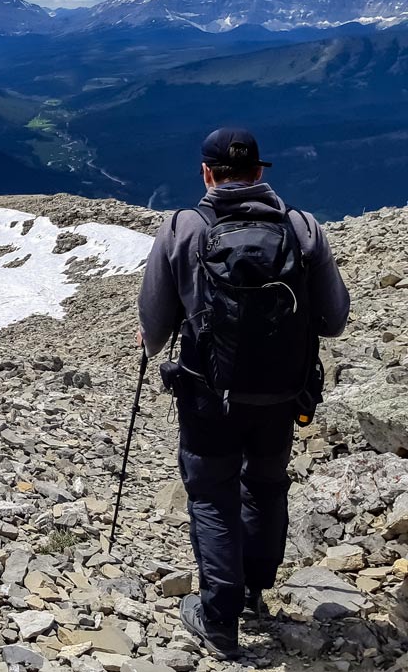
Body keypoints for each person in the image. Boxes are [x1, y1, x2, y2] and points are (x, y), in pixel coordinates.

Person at [137, 127, 350, 658]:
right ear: (259, 173)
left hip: (209, 394)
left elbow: (154, 326)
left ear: (207, 174)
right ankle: (255, 590)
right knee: (267, 483)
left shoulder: (184, 228)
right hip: (282, 393)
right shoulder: (301, 228)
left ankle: (219, 617)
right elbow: (335, 320)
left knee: (212, 493)